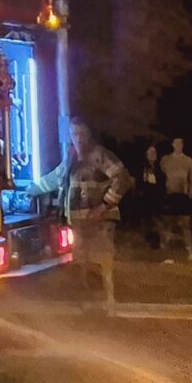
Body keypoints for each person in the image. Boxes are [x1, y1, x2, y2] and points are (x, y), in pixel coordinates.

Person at [44, 121, 132, 304]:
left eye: (82, 134)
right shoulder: (71, 159)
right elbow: (55, 179)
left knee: (104, 262)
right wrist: (29, 189)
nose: (79, 138)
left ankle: (109, 303)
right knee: (81, 264)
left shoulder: (99, 155)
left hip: (100, 221)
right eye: (74, 134)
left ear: (89, 135)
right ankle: (87, 306)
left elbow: (122, 179)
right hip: (78, 223)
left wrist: (104, 205)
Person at [157, 136, 192, 259]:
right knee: (167, 223)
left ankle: (190, 252)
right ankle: (163, 250)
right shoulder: (165, 160)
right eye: (176, 143)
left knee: (185, 224)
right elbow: (160, 176)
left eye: (180, 143)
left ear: (183, 145)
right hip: (169, 195)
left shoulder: (188, 161)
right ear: (172, 144)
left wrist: (190, 194)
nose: (178, 145)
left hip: (183, 196)